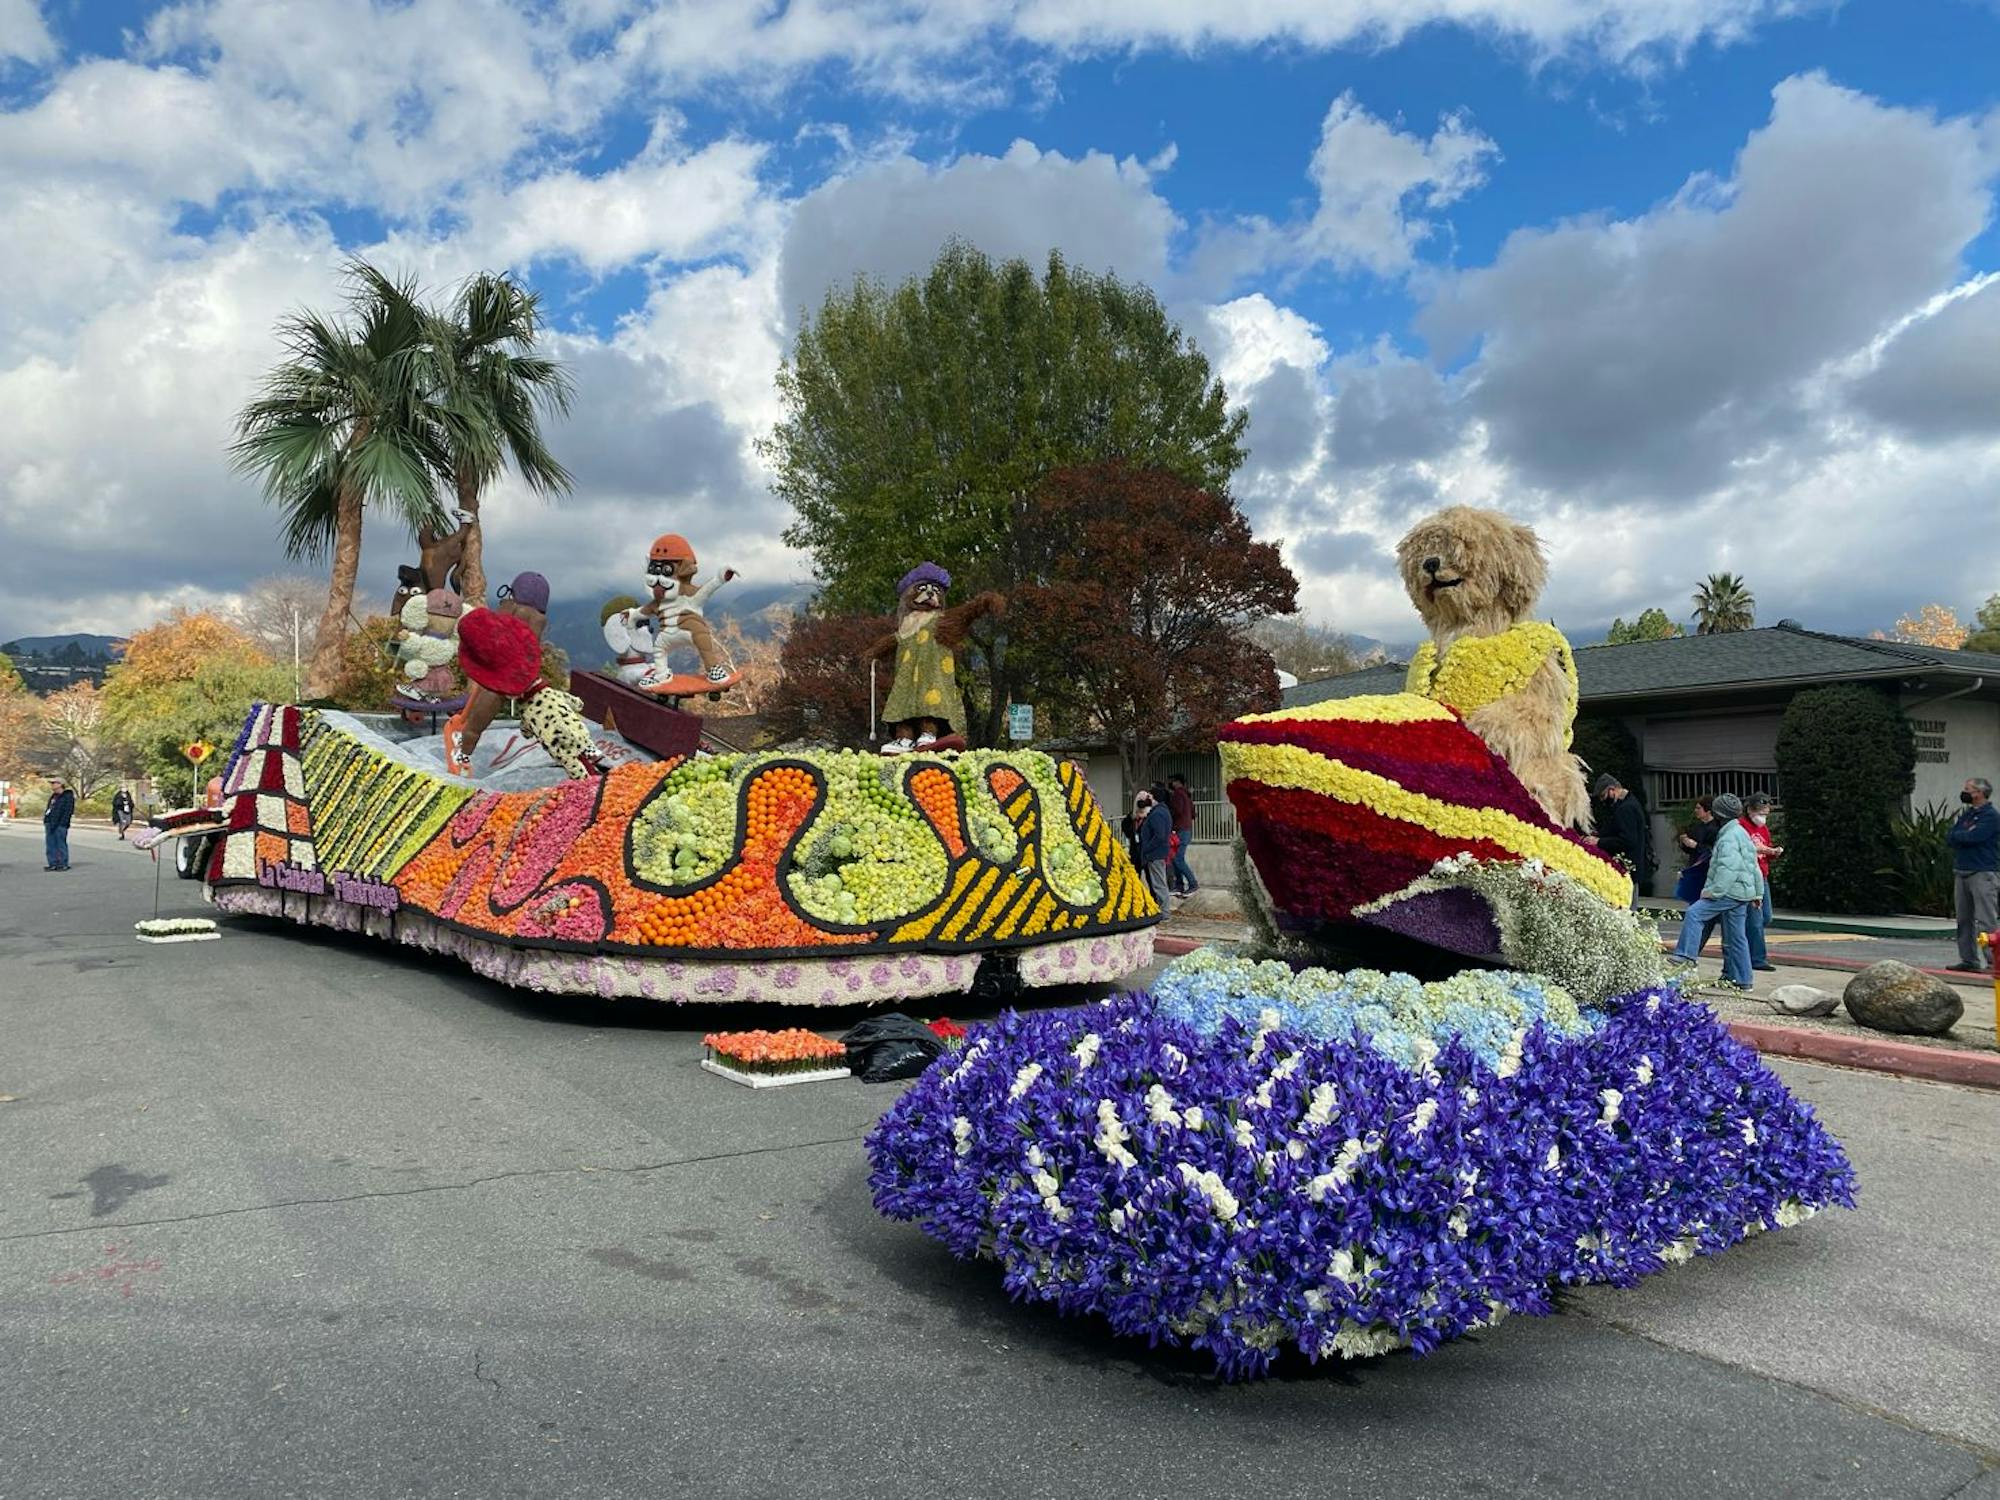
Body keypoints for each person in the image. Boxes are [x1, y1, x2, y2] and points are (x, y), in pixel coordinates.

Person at [1671, 792, 1758, 987]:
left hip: (1728, 891)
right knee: (1737, 937)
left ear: (1719, 815)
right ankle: (1744, 980)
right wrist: (1757, 893)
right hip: (1742, 892)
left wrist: (1713, 892)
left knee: (1694, 913)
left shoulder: (1728, 838)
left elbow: (1728, 870)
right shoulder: (1741, 832)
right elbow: (1753, 866)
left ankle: (1686, 955)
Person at [1948, 777, 1998, 973]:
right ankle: (1968, 959)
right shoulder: (1967, 815)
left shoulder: (1991, 816)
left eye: (1969, 789)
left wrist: (1961, 836)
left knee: (1986, 920)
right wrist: (1961, 836)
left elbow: (1975, 837)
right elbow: (1951, 836)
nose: (1965, 792)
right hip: (1962, 870)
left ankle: (1994, 961)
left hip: (1983, 871)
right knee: (1964, 919)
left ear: (1980, 793)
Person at [1738, 793, 1783, 973]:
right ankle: (1757, 958)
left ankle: (1746, 947)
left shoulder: (1763, 829)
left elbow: (1765, 849)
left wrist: (1772, 852)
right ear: (1749, 810)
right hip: (1748, 876)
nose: (1762, 817)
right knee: (1756, 920)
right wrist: (1763, 849)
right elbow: (1745, 848)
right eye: (1759, 812)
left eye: (1765, 813)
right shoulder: (1741, 827)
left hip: (1761, 875)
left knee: (1765, 917)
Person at [1591, 772, 1649, 906]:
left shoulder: (1625, 809)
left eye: (1603, 796)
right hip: (1631, 868)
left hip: (1627, 868)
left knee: (1627, 910)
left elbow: (1627, 840)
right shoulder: (1630, 802)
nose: (1603, 800)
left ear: (1612, 789)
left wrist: (1599, 842)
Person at [1673, 795, 1719, 904]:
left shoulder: (1715, 828)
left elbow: (1712, 850)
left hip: (1707, 869)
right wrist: (1684, 843)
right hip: (1695, 866)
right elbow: (1690, 850)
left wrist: (1696, 845)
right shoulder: (1697, 827)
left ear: (1707, 810)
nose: (1696, 811)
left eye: (1699, 808)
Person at [1135, 789, 1173, 911]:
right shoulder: (1161, 811)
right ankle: (1163, 909)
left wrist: (1147, 847)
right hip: (1156, 853)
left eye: (1150, 797)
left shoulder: (1157, 814)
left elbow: (1159, 835)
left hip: (1155, 854)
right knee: (1159, 882)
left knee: (1159, 884)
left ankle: (1164, 911)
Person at [1165, 773, 1200, 896]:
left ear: (1177, 782)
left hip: (1180, 830)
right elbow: (1194, 814)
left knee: (1177, 859)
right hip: (1186, 829)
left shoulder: (1178, 794)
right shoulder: (1187, 795)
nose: (1170, 784)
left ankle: (1192, 884)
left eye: (1172, 781)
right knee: (1175, 859)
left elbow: (1176, 810)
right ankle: (1179, 886)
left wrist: (1168, 815)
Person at [43, 776, 74, 872]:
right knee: (50, 844)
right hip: (50, 823)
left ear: (60, 784)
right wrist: (46, 820)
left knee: (60, 844)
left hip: (60, 824)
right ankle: (53, 863)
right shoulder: (53, 796)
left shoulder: (67, 796)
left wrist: (63, 823)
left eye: (54, 783)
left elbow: (68, 811)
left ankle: (63, 863)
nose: (52, 785)